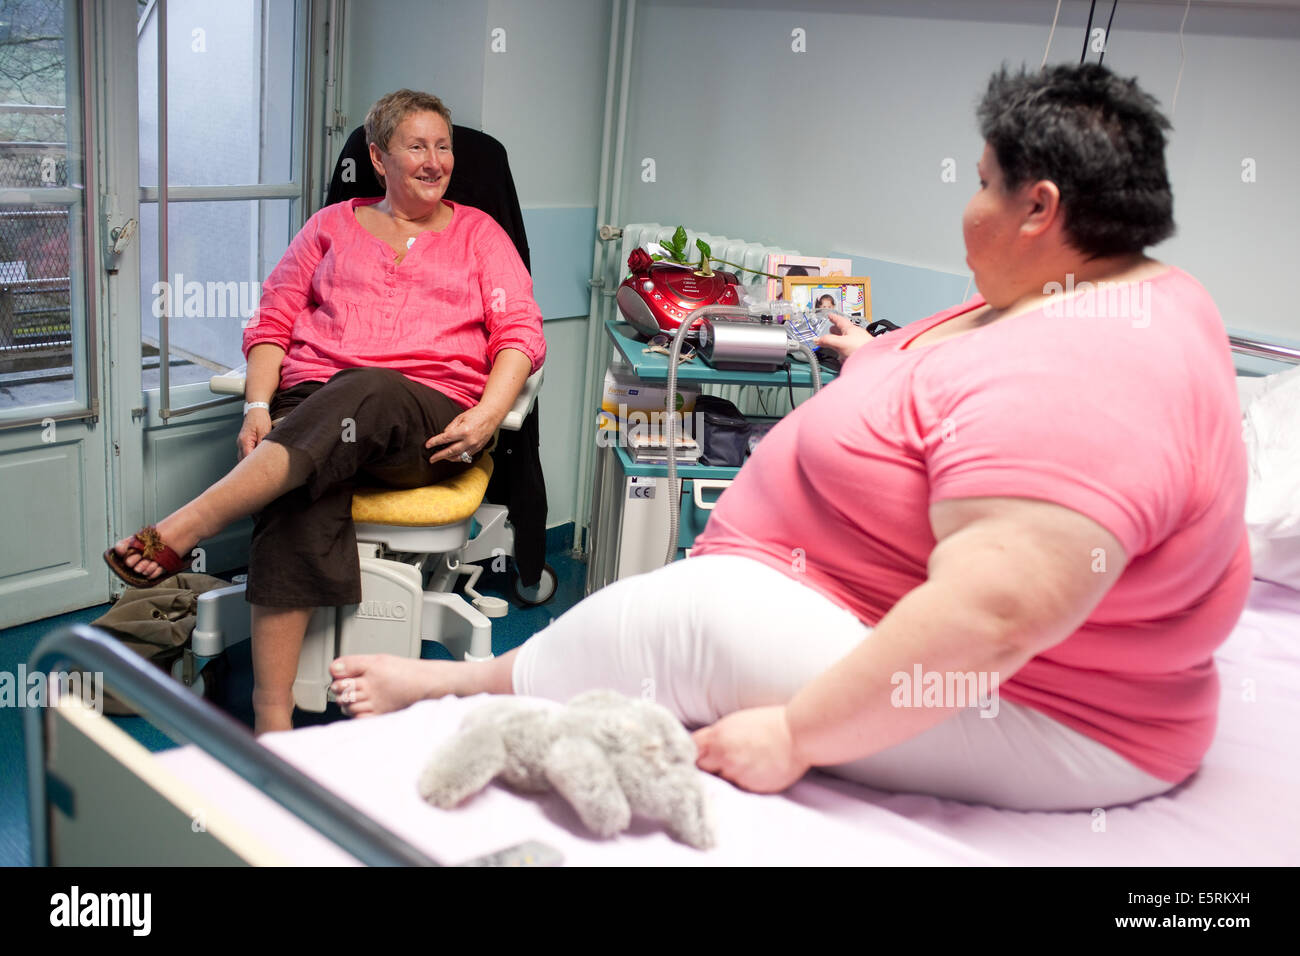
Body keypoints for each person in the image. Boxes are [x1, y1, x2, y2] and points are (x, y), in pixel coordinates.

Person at [328, 64, 1250, 811]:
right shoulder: (1083, 292)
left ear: (1041, 208)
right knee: (691, 604)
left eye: (981, 187)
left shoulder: (1093, 363)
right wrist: (873, 362)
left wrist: (796, 736)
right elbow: (968, 392)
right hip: (873, 599)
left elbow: (996, 613)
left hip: (1050, 712)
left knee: (693, 616)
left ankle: (469, 685)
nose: (968, 209)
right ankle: (499, 675)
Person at [104, 90, 546, 734]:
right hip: (314, 411)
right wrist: (257, 405)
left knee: (367, 387)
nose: (435, 161)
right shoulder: (329, 226)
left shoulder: (481, 233)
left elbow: (520, 335)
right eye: (417, 146)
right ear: (377, 157)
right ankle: (274, 729)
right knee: (299, 489)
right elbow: (273, 320)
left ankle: (189, 524)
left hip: (424, 420)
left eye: (443, 146)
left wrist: (486, 416)